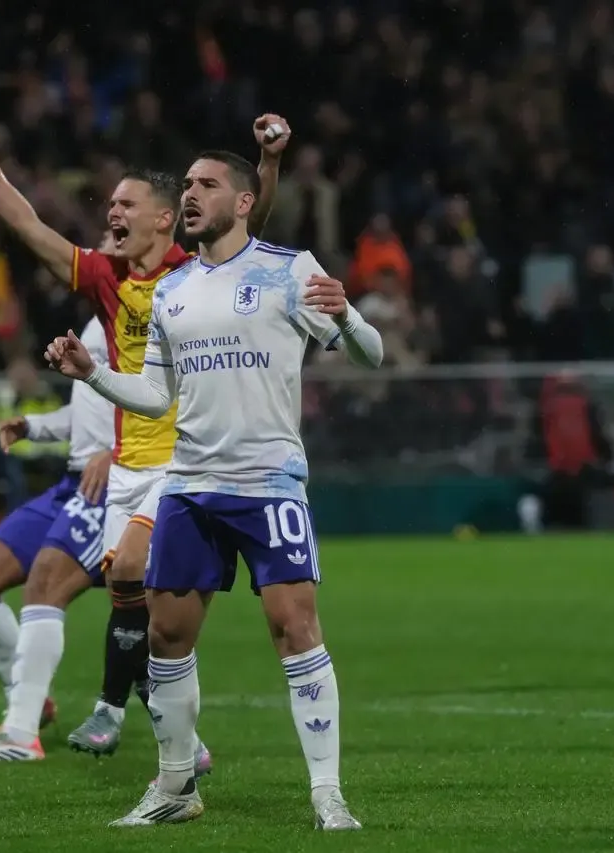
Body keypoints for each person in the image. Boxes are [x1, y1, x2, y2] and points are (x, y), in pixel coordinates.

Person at [46, 150, 383, 830]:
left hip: (268, 484)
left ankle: (327, 792)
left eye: (206, 185)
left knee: (295, 628)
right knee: (166, 634)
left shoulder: (290, 269)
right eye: (188, 185)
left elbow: (370, 354)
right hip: (190, 485)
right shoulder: (173, 290)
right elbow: (153, 395)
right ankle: (175, 786)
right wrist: (92, 373)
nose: (192, 194)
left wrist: (347, 317)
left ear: (241, 201)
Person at [0, 114, 289, 762]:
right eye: (109, 204)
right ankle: (176, 735)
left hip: (189, 461)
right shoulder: (109, 279)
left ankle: (112, 722)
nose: (112, 212)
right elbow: (29, 230)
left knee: (128, 573)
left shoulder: (198, 271)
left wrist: (268, 164)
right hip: (131, 464)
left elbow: (254, 226)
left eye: (126, 203)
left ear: (165, 219)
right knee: (142, 610)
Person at [0, 317, 116, 741]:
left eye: (110, 241)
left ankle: (19, 733)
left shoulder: (161, 304)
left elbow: (177, 402)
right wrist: (33, 426)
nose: (105, 244)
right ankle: (29, 700)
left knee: (52, 588)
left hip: (118, 485)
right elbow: (89, 411)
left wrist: (119, 452)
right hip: (72, 482)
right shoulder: (102, 316)